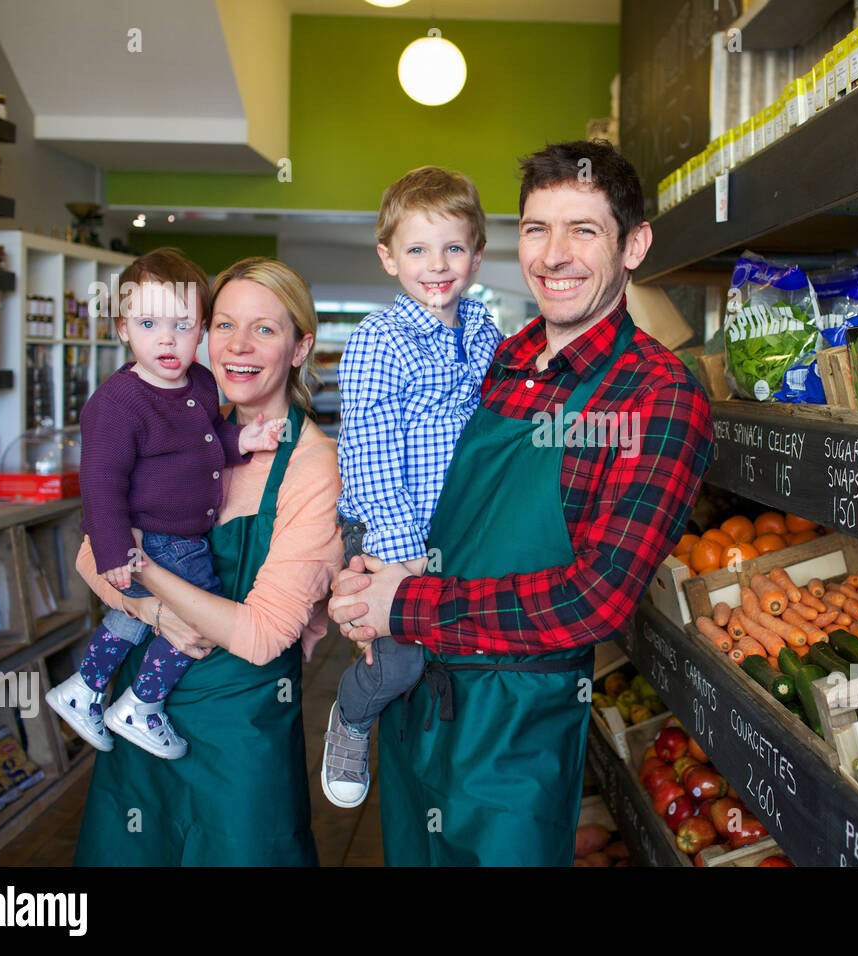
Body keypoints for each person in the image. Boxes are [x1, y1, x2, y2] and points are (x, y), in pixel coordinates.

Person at [329, 139, 714, 866]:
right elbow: (401, 472)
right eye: (537, 229)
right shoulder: (494, 357)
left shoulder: (656, 395)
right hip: (417, 706)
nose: (554, 254)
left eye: (584, 231)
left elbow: (594, 600)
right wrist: (362, 572)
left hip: (514, 730)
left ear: (634, 245)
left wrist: (399, 604)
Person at [71, 257, 343, 866]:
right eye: (224, 325)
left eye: (265, 330)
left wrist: (144, 574)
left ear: (300, 348)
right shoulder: (180, 430)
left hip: (238, 735)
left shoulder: (312, 465)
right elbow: (90, 553)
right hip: (139, 717)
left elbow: (263, 634)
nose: (238, 347)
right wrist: (155, 613)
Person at [47, 249, 283, 760]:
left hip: (180, 533)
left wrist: (242, 441)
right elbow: (101, 483)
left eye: (182, 324)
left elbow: (200, 444)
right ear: (123, 328)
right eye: (149, 322)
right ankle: (140, 703)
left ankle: (84, 690)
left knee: (134, 620)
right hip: (156, 535)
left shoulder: (200, 382)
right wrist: (113, 553)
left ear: (201, 330)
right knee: (200, 618)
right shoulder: (116, 404)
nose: (166, 338)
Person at [321, 166, 502, 808]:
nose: (437, 264)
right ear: (388, 257)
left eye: (454, 247)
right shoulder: (379, 341)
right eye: (418, 249)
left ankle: (451, 775)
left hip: (460, 528)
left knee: (463, 649)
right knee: (399, 660)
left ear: (477, 255)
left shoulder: (486, 333)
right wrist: (403, 561)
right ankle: (350, 719)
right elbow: (368, 458)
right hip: (389, 526)